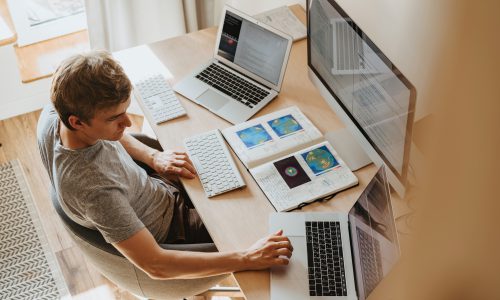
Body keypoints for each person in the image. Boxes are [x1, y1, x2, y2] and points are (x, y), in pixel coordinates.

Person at [37, 50, 292, 280]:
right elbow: (156, 265)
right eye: (115, 118)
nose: (127, 123)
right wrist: (247, 259)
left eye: (126, 110)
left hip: (155, 190)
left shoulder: (56, 114)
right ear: (77, 122)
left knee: (243, 165)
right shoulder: (94, 190)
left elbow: (114, 134)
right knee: (273, 224)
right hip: (174, 231)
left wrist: (152, 157)